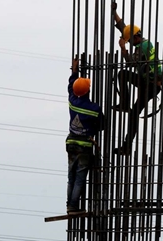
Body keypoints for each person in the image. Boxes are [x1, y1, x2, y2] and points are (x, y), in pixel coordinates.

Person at [111, 2, 163, 155]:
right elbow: (124, 28)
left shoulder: (142, 48)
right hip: (145, 80)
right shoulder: (142, 40)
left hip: (151, 86)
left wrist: (123, 49)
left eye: (129, 40)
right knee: (122, 75)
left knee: (134, 114)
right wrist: (114, 13)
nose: (129, 42)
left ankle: (127, 147)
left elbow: (130, 63)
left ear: (135, 38)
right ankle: (125, 103)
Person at [66, 57, 104, 215]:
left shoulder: (72, 101)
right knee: (80, 176)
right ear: (88, 91)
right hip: (84, 146)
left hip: (70, 143)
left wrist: (75, 71)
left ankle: (70, 205)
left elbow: (71, 87)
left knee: (72, 175)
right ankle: (74, 206)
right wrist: (92, 130)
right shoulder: (94, 108)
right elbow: (102, 125)